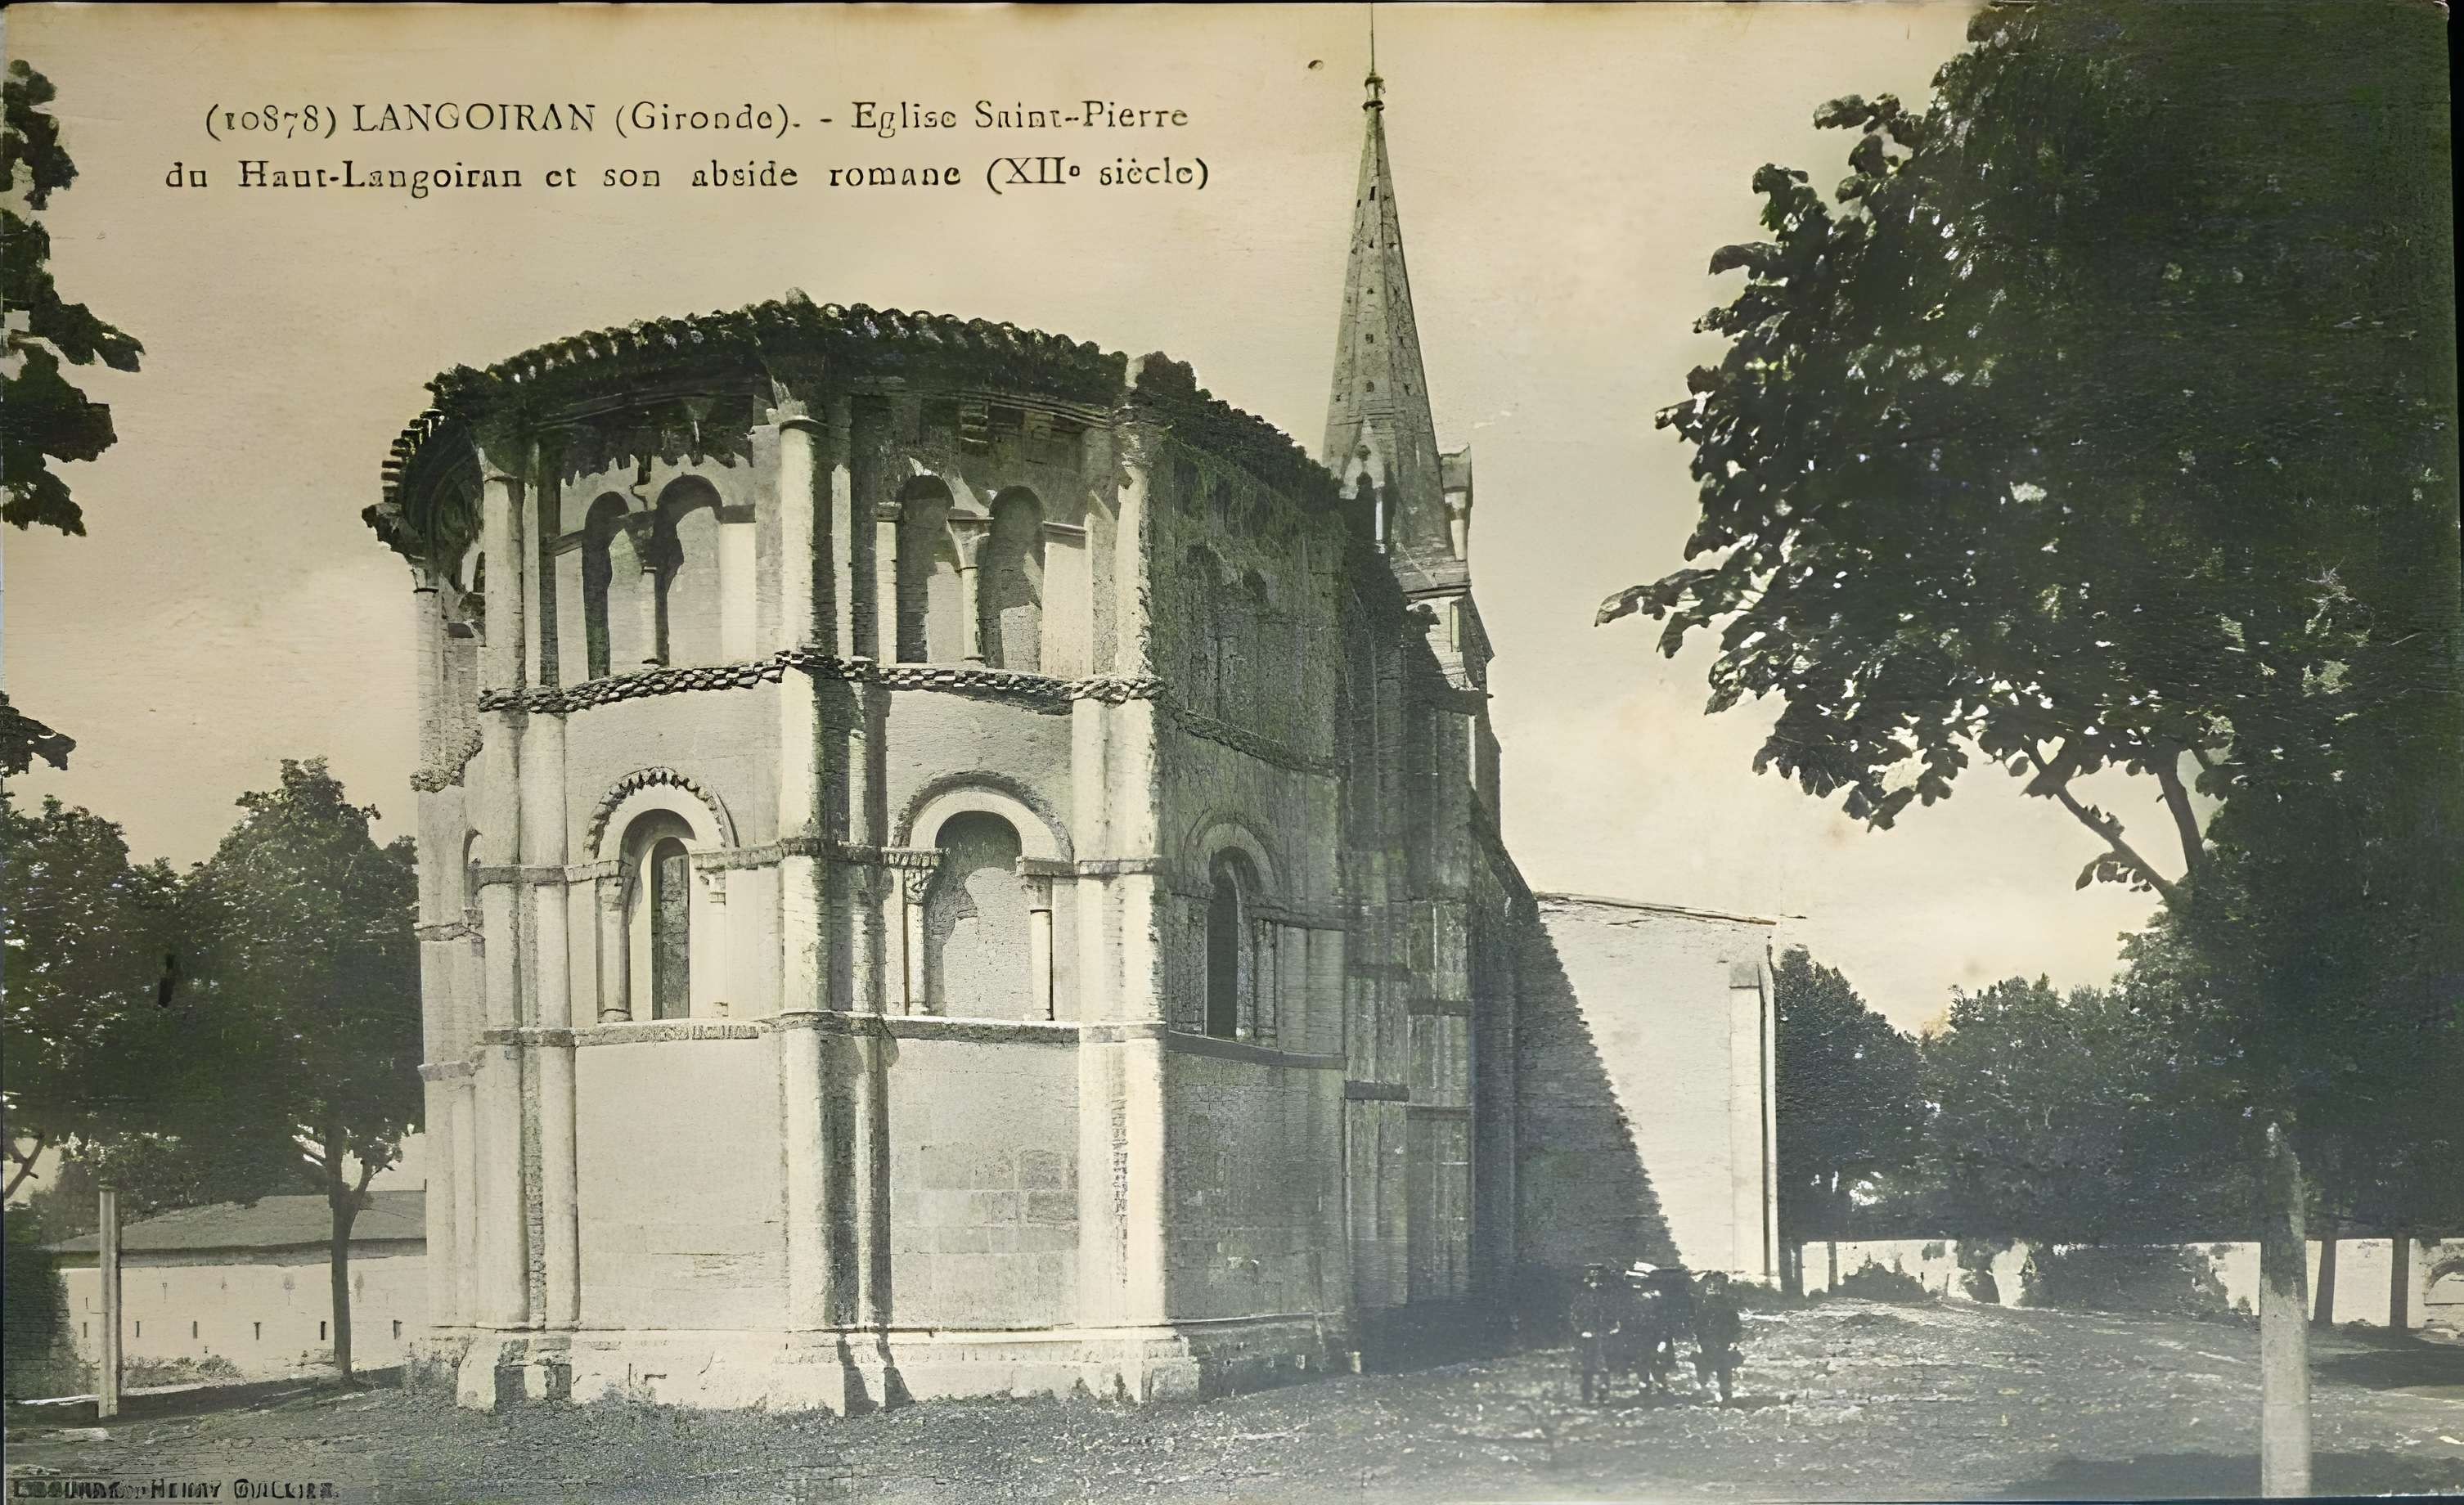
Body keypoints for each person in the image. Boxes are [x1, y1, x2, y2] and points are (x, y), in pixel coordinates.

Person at [1692, 1269, 1744, 1403]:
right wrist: (1696, 1342)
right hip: (1705, 1340)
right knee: (1703, 1365)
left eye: (1717, 1288)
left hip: (1723, 1340)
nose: (1713, 1290)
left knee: (1724, 1367)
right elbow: (1696, 1324)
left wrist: (1734, 1341)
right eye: (1710, 1288)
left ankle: (1725, 1395)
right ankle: (1704, 1391)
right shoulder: (1700, 1305)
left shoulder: (1727, 1305)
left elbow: (1735, 1324)